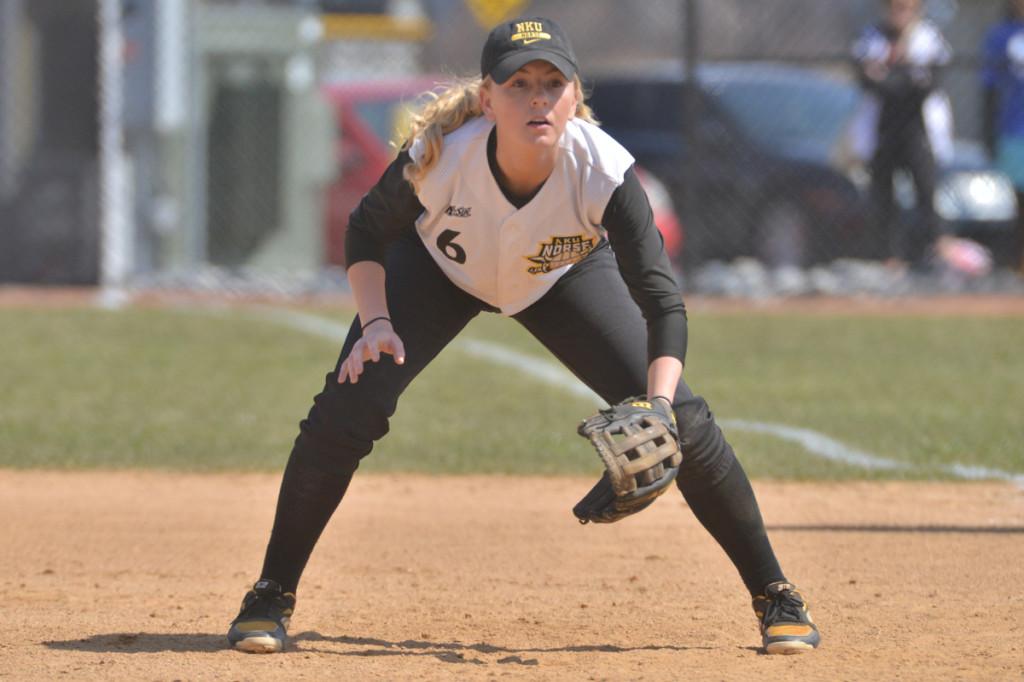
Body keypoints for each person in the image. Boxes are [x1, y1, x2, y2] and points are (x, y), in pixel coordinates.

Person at [226, 17, 820, 656]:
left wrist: (661, 407)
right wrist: (375, 324)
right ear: (488, 98)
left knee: (689, 425)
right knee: (348, 406)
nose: (536, 98)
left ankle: (776, 594)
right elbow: (366, 234)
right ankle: (271, 592)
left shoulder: (606, 171)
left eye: (551, 83)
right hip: (438, 270)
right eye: (518, 84)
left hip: (557, 275)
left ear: (573, 96)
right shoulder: (438, 156)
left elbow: (662, 302)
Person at [852, 0, 956, 269]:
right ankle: (890, 258)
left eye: (907, 7)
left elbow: (928, 84)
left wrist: (889, 78)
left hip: (917, 127)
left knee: (926, 190)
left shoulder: (928, 37)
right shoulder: (871, 37)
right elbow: (866, 79)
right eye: (896, 7)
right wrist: (903, 79)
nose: (901, 12)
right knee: (884, 194)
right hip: (883, 127)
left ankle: (936, 254)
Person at [982, 0, 1024, 270]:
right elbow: (989, 89)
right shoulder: (1001, 36)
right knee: (1019, 200)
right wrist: (987, 131)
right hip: (1014, 129)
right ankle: (1018, 260)